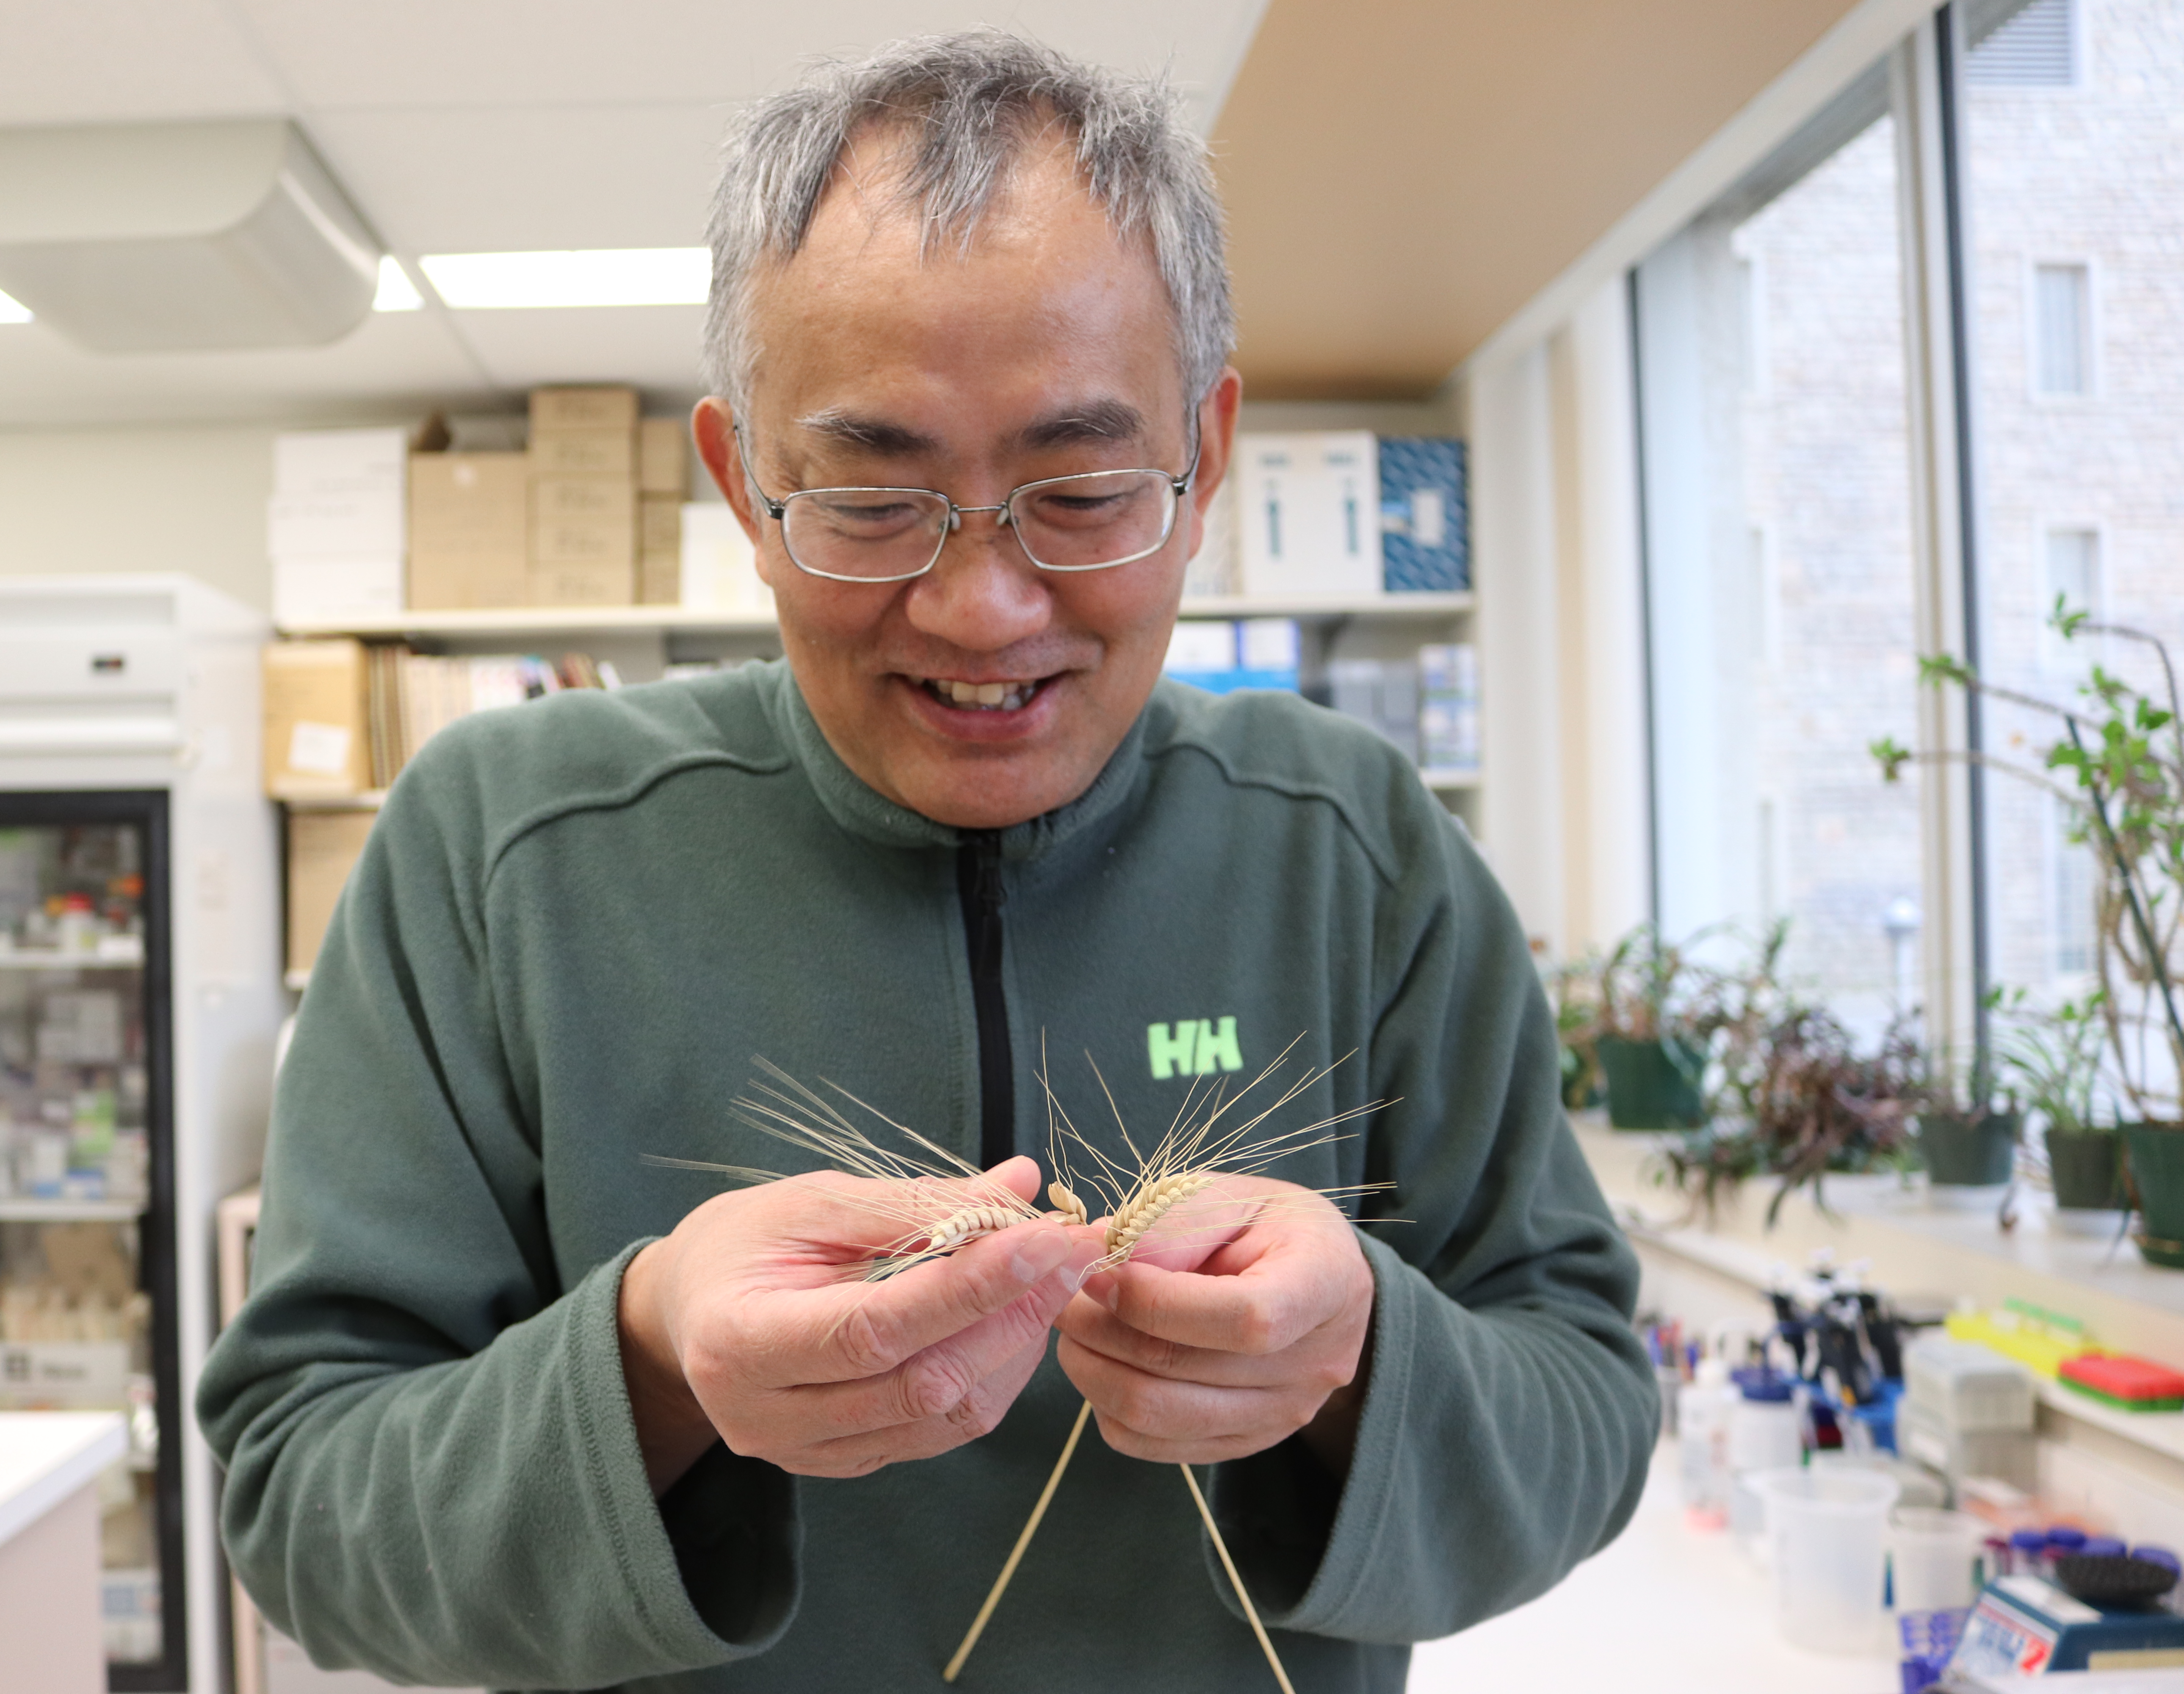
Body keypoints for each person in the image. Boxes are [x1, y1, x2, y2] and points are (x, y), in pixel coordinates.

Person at [201, 30, 1657, 1694]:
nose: (983, 610)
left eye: (1084, 491)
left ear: (1208, 459)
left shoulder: (1364, 852)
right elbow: (302, 1510)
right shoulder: (499, 846)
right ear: (745, 487)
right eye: (875, 504)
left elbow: (1589, 1414)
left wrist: (1364, 1358)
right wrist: (655, 1362)